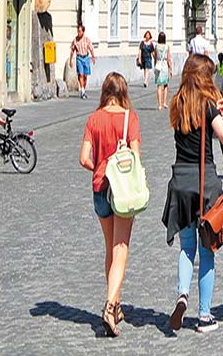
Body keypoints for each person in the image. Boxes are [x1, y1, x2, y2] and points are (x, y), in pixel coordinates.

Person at [161, 53, 223, 334]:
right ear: (205, 77)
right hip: (204, 184)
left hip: (180, 181)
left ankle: (182, 294)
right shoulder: (208, 106)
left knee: (186, 247)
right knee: (207, 251)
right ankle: (204, 316)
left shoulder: (177, 104)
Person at [79, 73, 142, 336]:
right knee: (121, 247)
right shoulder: (130, 118)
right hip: (122, 191)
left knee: (109, 248)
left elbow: (84, 158)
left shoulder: (93, 119)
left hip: (99, 188)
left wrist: (101, 169)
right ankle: (110, 305)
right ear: (123, 92)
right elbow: (136, 157)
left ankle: (115, 303)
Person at [69, 25, 95, 96]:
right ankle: (82, 90)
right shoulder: (75, 40)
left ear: (83, 31)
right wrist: (70, 60)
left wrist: (93, 57)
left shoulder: (87, 39)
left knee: (85, 76)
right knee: (81, 74)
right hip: (79, 58)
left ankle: (83, 88)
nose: (79, 33)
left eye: (80, 31)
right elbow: (72, 50)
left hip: (86, 58)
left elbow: (91, 48)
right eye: (78, 31)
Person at [155, 30, 173, 111]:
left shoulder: (156, 46)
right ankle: (164, 102)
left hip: (158, 65)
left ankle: (159, 105)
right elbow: (169, 59)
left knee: (159, 85)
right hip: (165, 65)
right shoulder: (167, 47)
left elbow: (155, 57)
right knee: (165, 85)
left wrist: (155, 64)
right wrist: (171, 69)